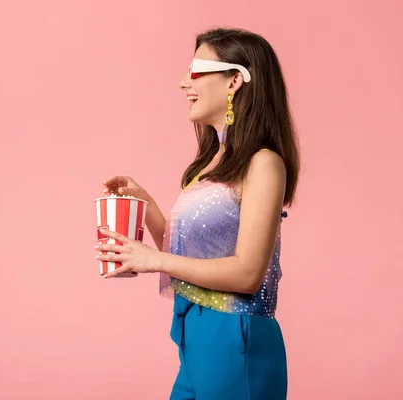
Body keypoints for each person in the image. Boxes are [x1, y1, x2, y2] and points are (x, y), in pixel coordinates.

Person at [95, 27, 300, 399]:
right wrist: (144, 204)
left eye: (197, 72)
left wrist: (155, 260)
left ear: (234, 80)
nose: (183, 83)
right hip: (197, 336)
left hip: (236, 336)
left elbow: (248, 274)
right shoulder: (209, 166)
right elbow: (186, 256)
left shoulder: (265, 164)